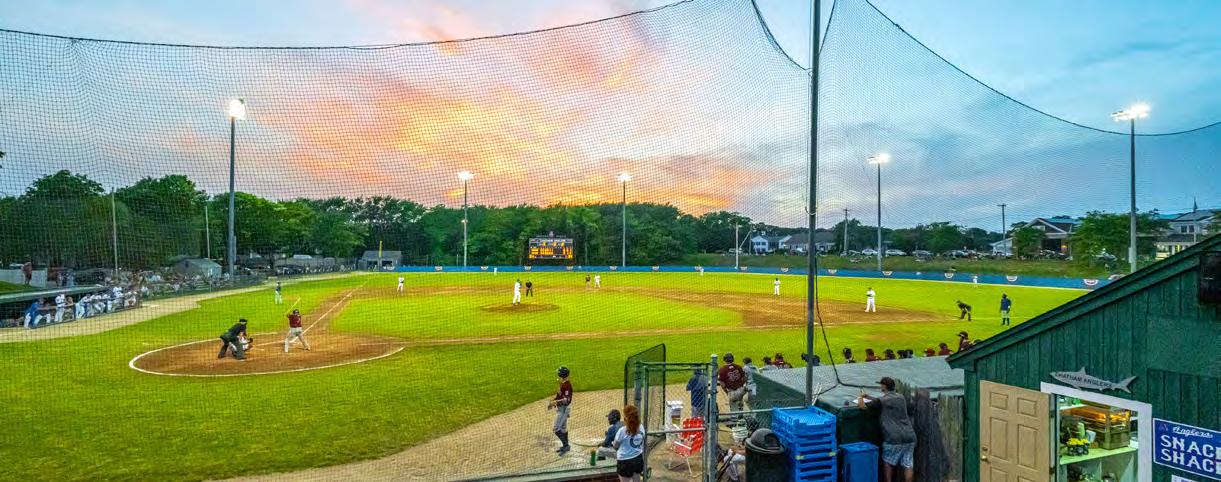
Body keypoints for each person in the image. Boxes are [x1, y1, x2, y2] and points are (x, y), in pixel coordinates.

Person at [858, 377, 917, 482]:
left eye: (881, 384)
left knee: (888, 463)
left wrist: (860, 398)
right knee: (908, 464)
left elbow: (862, 406)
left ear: (884, 386)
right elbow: (879, 400)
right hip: (910, 436)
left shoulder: (883, 401)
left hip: (893, 438)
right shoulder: (901, 397)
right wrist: (867, 396)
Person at [612, 405, 646, 482]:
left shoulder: (622, 430)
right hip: (638, 459)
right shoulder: (641, 427)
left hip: (625, 461)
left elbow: (615, 446)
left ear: (625, 418)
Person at [548, 366, 574, 455]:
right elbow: (559, 396)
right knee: (563, 428)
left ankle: (566, 445)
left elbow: (566, 400)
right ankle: (565, 446)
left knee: (556, 429)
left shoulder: (567, 385)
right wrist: (553, 402)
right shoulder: (562, 384)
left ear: (561, 374)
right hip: (561, 409)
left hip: (564, 409)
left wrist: (556, 402)